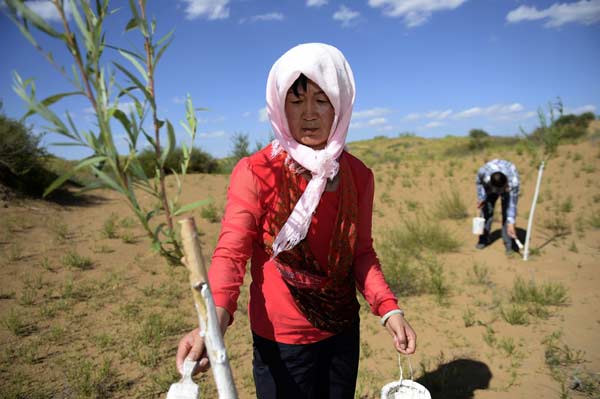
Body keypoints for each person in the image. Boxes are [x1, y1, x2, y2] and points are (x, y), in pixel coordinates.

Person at [176, 43, 416, 398]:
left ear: (341, 103)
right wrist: (212, 323)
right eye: (296, 100)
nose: (309, 114)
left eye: (322, 100)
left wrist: (388, 308)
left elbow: (361, 253)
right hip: (282, 343)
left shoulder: (358, 176)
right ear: (278, 104)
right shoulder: (257, 172)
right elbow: (231, 254)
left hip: (342, 333)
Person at [475, 159, 520, 254]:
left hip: (508, 186)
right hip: (490, 186)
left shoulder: (513, 182)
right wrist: (481, 197)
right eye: (497, 190)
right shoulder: (484, 174)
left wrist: (511, 222)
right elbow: (479, 183)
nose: (499, 192)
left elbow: (512, 204)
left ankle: (509, 245)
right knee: (486, 211)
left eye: (501, 190)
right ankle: (483, 240)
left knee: (506, 214)